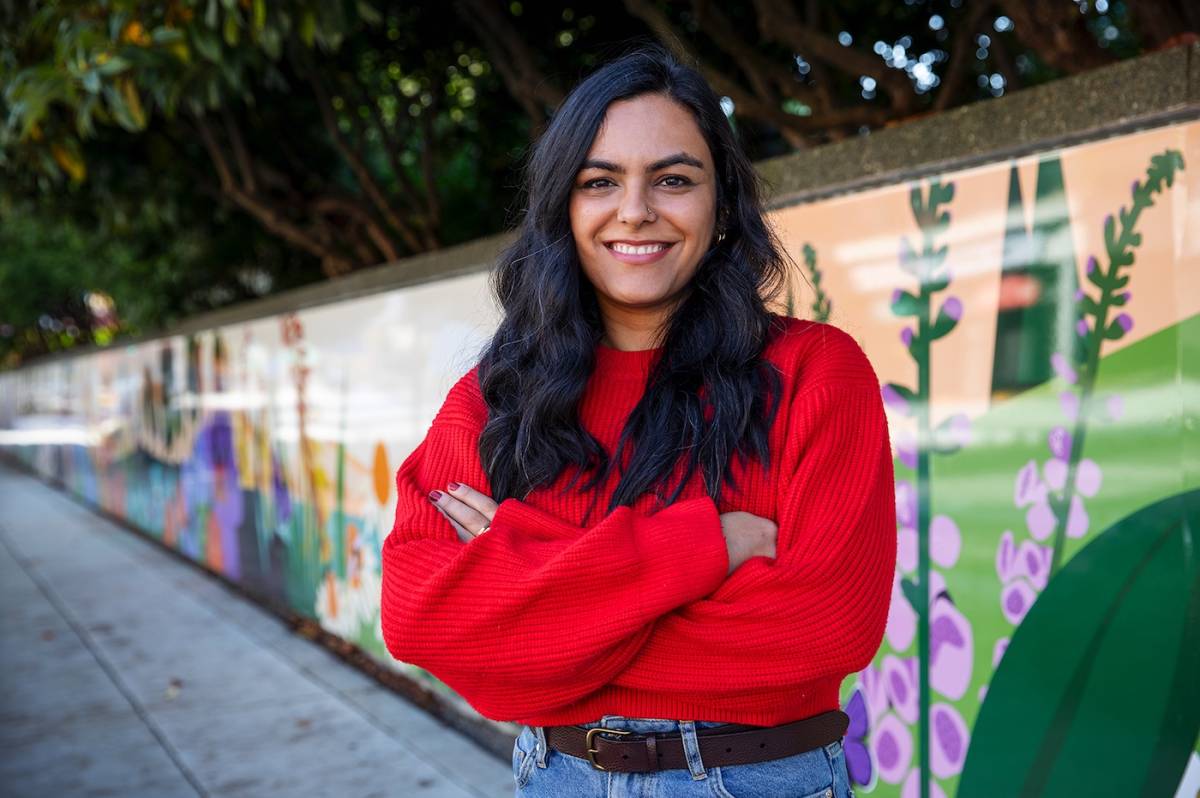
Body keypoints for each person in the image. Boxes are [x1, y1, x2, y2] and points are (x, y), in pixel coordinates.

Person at [379, 43, 895, 797]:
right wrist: (702, 545)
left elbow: (827, 628)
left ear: (722, 207)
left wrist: (530, 577)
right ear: (564, 206)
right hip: (557, 778)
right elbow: (418, 616)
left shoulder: (817, 373)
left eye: (674, 179)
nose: (635, 211)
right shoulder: (496, 399)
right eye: (600, 182)